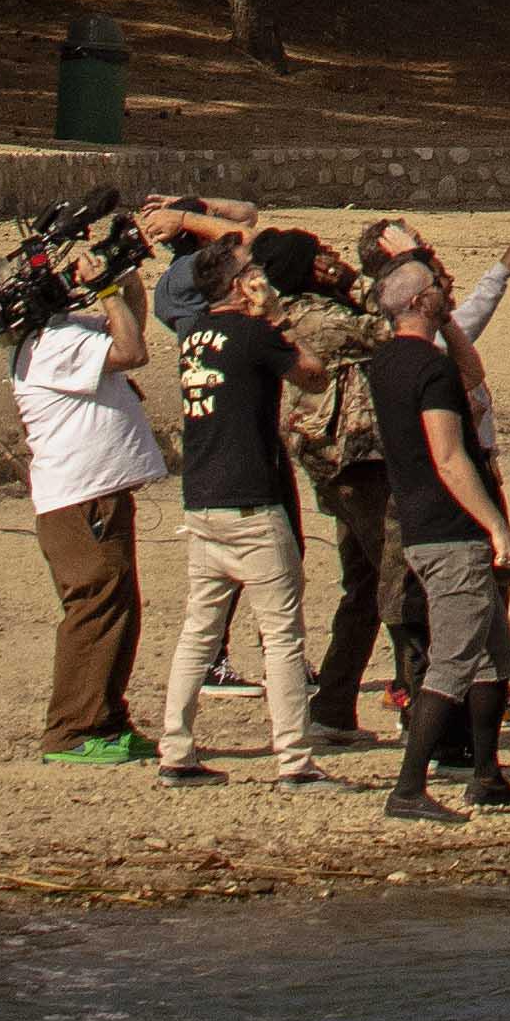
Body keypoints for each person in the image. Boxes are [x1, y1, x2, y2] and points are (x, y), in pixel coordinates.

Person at [300, 211, 510, 743]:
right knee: (413, 598)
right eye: (427, 273)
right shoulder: (381, 335)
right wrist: (495, 525)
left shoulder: (394, 330)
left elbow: (455, 334)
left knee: (374, 591)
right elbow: (438, 322)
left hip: (386, 477)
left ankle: (357, 708)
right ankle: (419, 731)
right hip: (417, 488)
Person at [146, 212, 322, 786]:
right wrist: (277, 315)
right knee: (282, 635)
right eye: (251, 272)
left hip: (203, 499)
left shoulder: (193, 334)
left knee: (198, 629)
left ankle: (176, 748)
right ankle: (295, 759)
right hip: (251, 503)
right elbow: (313, 376)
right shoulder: (255, 333)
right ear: (234, 283)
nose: (260, 278)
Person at [366, 253, 510, 821]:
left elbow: (474, 377)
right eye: (436, 288)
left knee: (493, 655)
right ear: (417, 302)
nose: (446, 288)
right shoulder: (428, 370)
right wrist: (496, 526)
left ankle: (486, 775)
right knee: (455, 659)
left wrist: (450, 320)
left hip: (423, 523)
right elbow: (451, 457)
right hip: (450, 528)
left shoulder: (390, 360)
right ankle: (408, 788)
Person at [8, 225, 169, 763]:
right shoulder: (52, 345)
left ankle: (104, 718)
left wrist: (121, 275)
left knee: (117, 606)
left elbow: (131, 327)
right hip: (80, 500)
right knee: (95, 607)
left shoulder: (62, 334)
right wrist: (102, 289)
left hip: (94, 496)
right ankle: (73, 731)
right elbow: (133, 351)